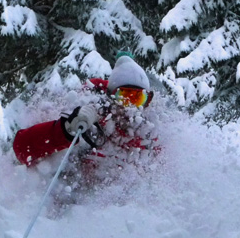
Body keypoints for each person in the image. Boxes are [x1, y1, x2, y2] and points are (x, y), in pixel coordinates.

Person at [12, 53, 158, 176]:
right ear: (110, 97)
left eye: (138, 98)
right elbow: (23, 148)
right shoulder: (85, 119)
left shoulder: (148, 137)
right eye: (124, 97)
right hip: (74, 202)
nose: (130, 107)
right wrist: (67, 129)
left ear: (147, 102)